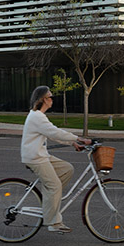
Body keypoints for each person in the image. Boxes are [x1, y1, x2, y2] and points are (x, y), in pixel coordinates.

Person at [21, 85, 92, 233]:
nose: (52, 99)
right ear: (43, 99)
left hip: (42, 155)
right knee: (54, 186)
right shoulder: (36, 116)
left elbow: (51, 134)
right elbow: (55, 132)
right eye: (50, 97)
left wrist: (72, 143)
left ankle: (50, 200)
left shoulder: (39, 116)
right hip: (35, 158)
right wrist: (78, 138)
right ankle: (53, 222)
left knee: (67, 169)